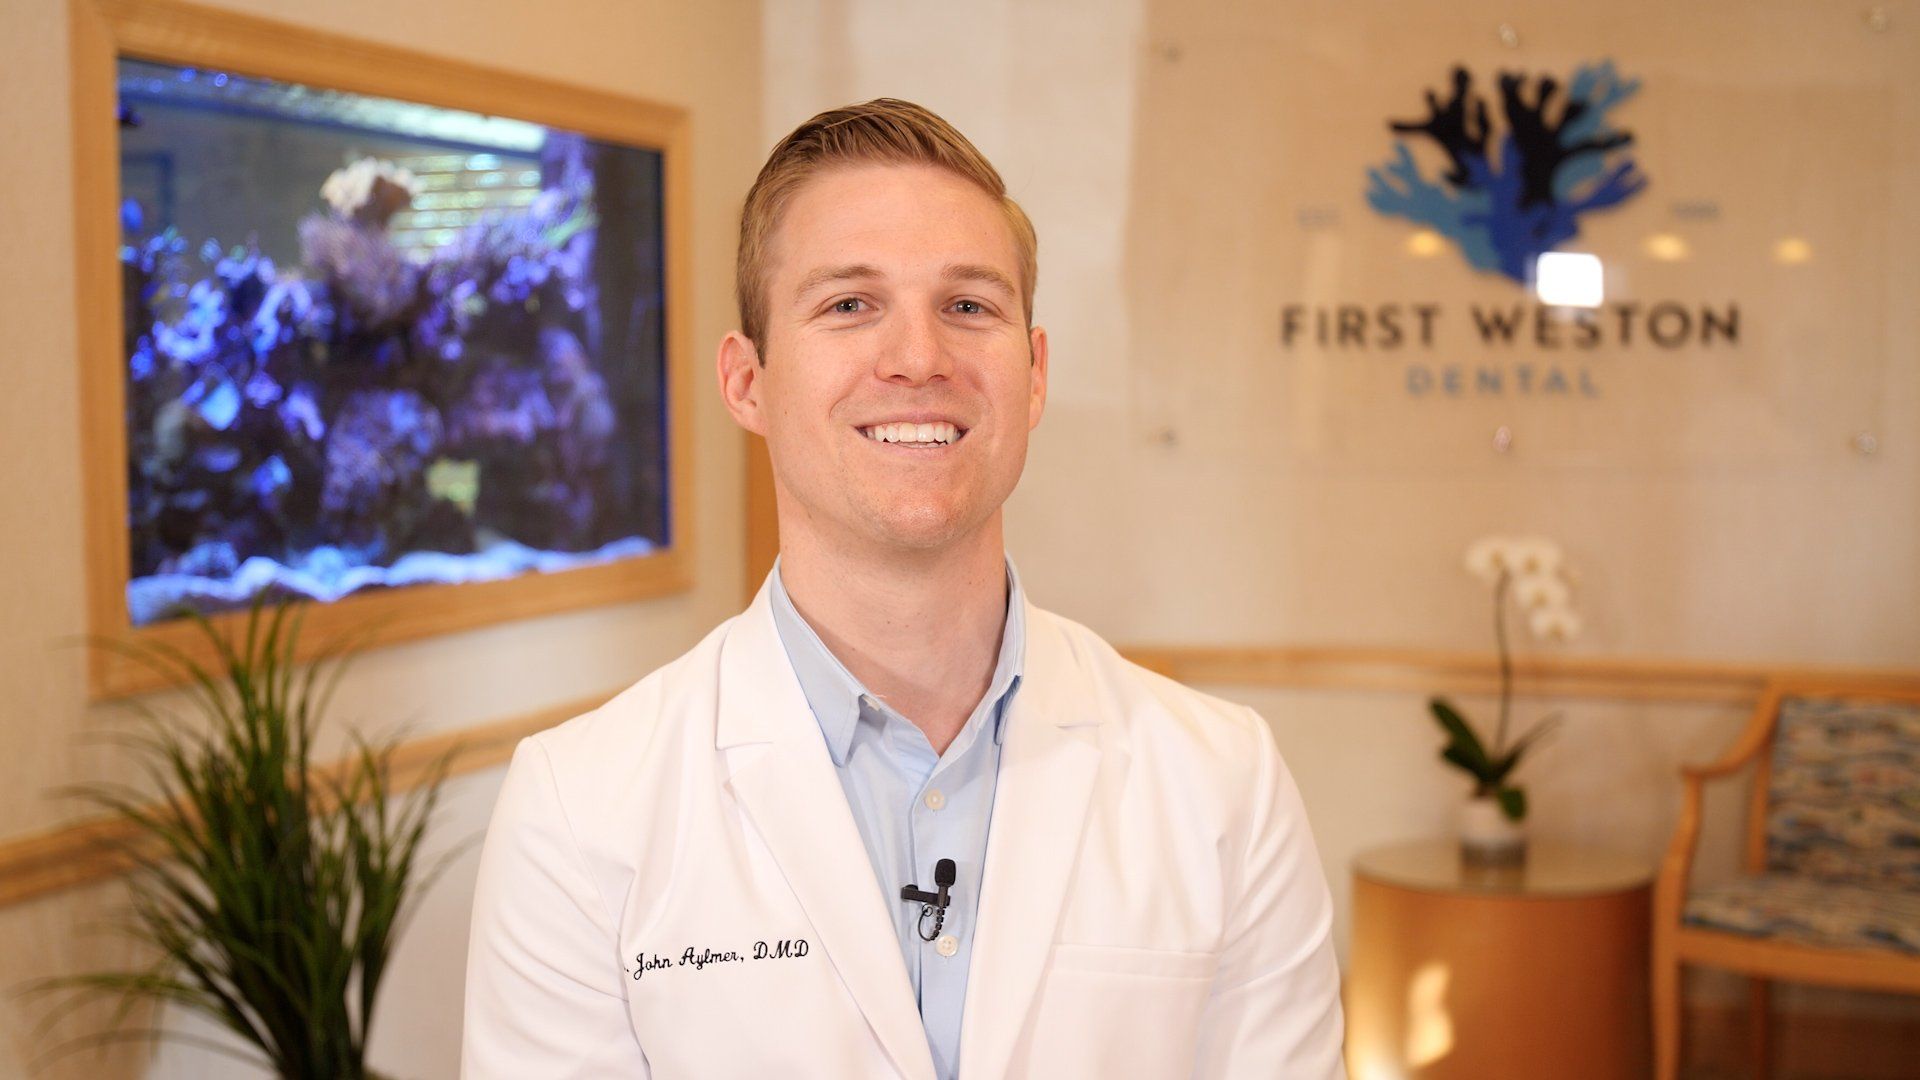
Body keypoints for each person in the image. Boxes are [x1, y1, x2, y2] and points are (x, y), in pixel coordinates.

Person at [462, 98, 1345, 1079]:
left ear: (1036, 373)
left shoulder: (1224, 784)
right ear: (747, 382)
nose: (919, 359)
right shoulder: (580, 812)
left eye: (969, 306)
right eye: (849, 304)